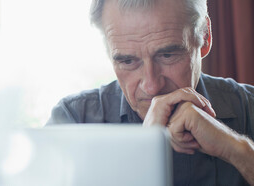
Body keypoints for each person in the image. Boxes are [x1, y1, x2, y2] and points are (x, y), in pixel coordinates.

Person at [46, 0, 254, 185]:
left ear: (205, 37)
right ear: (109, 52)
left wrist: (236, 150)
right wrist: (144, 151)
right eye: (127, 61)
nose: (152, 87)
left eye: (167, 55)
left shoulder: (248, 106)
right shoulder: (73, 120)